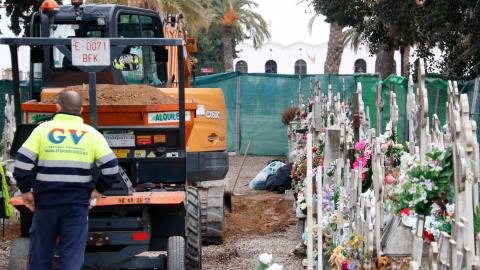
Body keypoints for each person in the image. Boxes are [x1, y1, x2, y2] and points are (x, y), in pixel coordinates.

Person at [14, 90, 119, 269]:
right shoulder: (92, 134)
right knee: (71, 258)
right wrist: (97, 191)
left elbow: (22, 164)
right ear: (81, 111)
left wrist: (25, 192)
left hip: (45, 203)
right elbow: (111, 168)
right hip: (76, 205)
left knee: (40, 257)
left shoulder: (42, 130)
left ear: (58, 107)